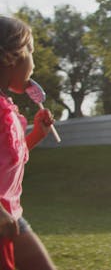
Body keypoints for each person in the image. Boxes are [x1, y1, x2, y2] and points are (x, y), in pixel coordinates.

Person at [0, 15, 57, 270]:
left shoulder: (8, 110)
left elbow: (9, 157)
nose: (34, 63)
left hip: (12, 214)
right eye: (30, 51)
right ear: (11, 57)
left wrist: (36, 135)